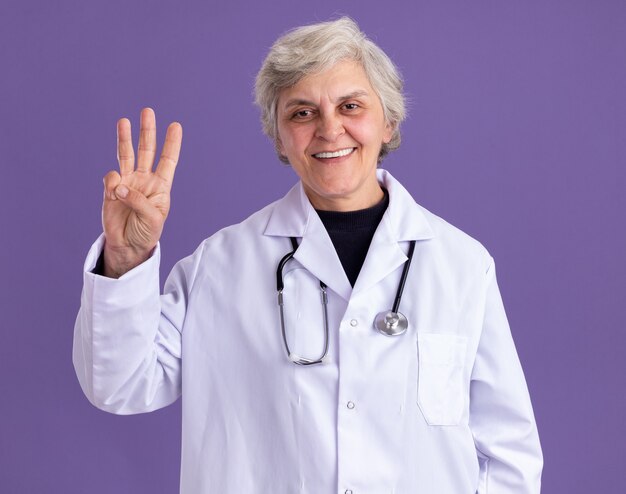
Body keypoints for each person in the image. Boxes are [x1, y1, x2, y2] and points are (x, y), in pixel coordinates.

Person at [73, 17, 543, 493]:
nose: (329, 128)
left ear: (389, 121)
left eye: (350, 105)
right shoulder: (218, 266)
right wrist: (126, 256)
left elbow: (510, 454)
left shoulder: (462, 265)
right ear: (278, 137)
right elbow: (120, 385)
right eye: (301, 113)